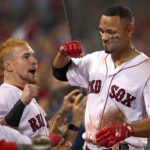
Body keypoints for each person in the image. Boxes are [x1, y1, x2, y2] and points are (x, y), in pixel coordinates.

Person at [52, 4, 150, 150]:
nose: (104, 37)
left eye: (110, 32)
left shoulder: (146, 69)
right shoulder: (95, 60)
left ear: (129, 30)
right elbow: (60, 72)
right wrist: (62, 54)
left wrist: (127, 129)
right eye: (101, 31)